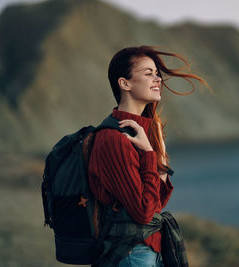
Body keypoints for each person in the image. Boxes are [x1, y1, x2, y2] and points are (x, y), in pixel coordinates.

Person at [88, 46, 210, 267]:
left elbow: (156, 205)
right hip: (131, 254)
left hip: (148, 250)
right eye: (148, 73)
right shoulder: (114, 139)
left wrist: (157, 153)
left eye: (157, 73)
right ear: (124, 83)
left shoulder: (143, 133)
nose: (158, 79)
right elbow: (144, 213)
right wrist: (149, 155)